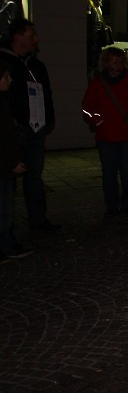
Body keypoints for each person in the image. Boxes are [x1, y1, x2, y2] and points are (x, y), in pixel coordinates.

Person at [0, 18, 59, 232]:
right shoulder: (5, 64)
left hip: (36, 128)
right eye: (31, 35)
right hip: (15, 131)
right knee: (9, 178)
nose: (36, 39)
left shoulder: (36, 65)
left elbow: (47, 95)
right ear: (18, 37)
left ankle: (37, 220)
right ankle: (6, 227)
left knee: (34, 176)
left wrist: (48, 117)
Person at [81, 47, 128, 217]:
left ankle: (127, 205)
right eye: (114, 62)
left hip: (126, 136)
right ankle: (112, 205)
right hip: (106, 136)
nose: (118, 66)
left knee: (127, 171)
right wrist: (98, 121)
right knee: (109, 172)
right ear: (106, 63)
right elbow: (87, 107)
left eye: (120, 62)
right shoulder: (97, 84)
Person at [0, 57, 31, 262]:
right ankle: (5, 246)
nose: (10, 80)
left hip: (5, 165)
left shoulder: (4, 101)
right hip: (3, 167)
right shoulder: (1, 105)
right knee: (4, 209)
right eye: (6, 76)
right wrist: (13, 162)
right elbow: (4, 137)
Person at [86, 0, 113, 80]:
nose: (99, 1)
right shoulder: (90, 5)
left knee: (95, 58)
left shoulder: (96, 7)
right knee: (92, 59)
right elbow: (89, 20)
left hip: (95, 37)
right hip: (92, 37)